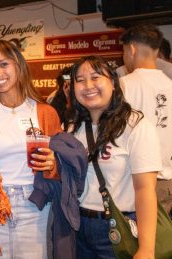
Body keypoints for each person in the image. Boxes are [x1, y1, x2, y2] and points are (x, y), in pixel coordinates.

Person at [0, 40, 61, 258]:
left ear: (18, 65)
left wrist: (54, 164)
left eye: (3, 64)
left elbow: (60, 169)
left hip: (36, 209)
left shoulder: (46, 113)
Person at [65, 55, 161, 259]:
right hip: (77, 227)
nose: (88, 85)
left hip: (117, 228)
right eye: (80, 80)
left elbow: (145, 190)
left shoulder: (135, 126)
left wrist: (146, 249)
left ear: (114, 83)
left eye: (96, 77)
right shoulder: (73, 128)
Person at [119, 24, 172, 216]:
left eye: (124, 51)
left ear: (131, 50)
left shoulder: (124, 84)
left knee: (137, 241)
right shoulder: (170, 84)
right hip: (167, 182)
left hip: (136, 182)